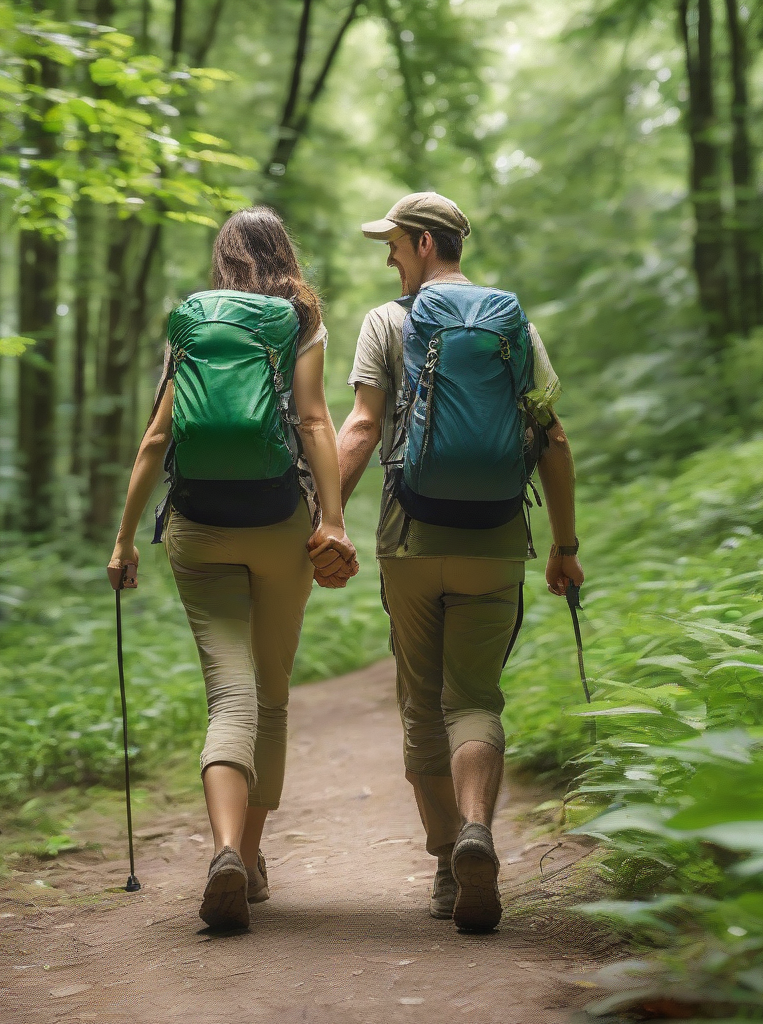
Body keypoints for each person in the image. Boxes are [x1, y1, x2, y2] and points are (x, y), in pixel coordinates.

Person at [330, 192, 583, 932]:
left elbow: (362, 427)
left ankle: (447, 862)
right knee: (475, 697)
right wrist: (564, 547)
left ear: (424, 242)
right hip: (497, 540)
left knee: (421, 706)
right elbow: (554, 441)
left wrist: (324, 520)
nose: (388, 257)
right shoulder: (516, 328)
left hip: (410, 541)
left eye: (395, 244)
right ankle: (478, 828)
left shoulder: (387, 321)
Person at [108, 207, 357, 932]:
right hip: (278, 523)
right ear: (285, 252)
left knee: (228, 694)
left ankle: (218, 848)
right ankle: (247, 856)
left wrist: (124, 540)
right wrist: (333, 521)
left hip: (196, 523)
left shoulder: (191, 321)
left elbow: (158, 435)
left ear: (221, 260)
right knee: (269, 696)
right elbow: (314, 422)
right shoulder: (297, 317)